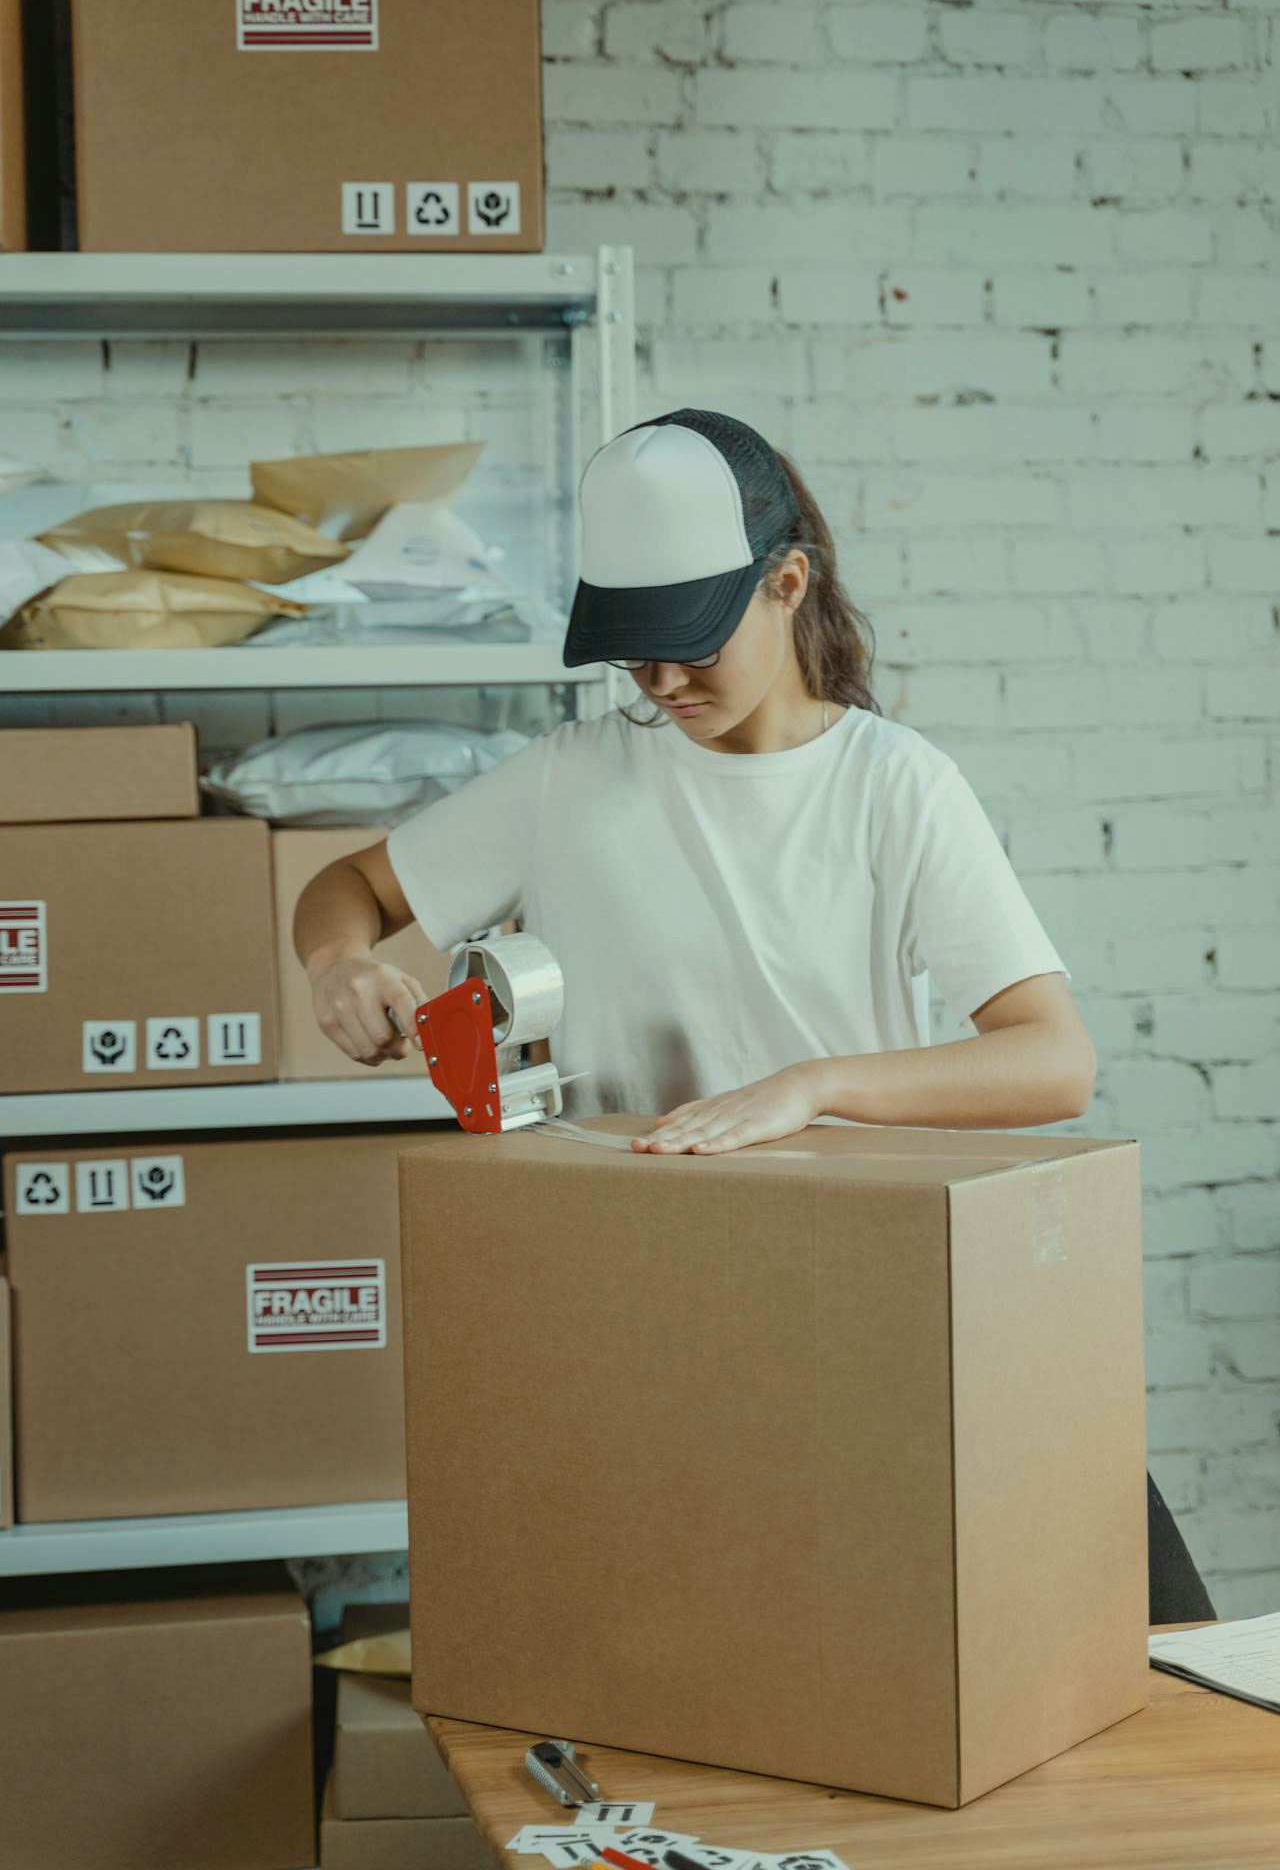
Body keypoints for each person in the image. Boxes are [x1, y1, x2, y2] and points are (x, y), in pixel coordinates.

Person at [293, 404, 1216, 1626]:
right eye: (634, 654)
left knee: (1114, 1608)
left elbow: (1053, 1061)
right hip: (641, 1311)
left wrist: (813, 1085)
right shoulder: (569, 781)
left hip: (862, 1296)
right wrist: (337, 967)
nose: (663, 683)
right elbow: (344, 890)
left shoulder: (893, 790)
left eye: (690, 643)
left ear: (786, 584)